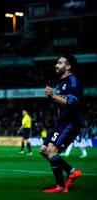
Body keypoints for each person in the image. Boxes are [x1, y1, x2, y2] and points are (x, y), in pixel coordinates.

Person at [41, 54, 83, 193]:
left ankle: (60, 185)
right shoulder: (60, 82)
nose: (56, 65)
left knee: (52, 149)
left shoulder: (73, 80)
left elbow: (72, 102)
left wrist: (53, 95)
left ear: (68, 67)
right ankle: (71, 171)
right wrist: (53, 94)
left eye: (60, 63)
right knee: (44, 150)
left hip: (71, 122)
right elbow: (60, 103)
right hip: (61, 122)